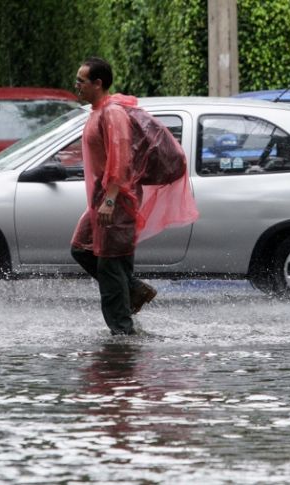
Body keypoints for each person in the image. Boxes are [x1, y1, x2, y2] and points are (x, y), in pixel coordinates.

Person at [70, 57, 199, 335]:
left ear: (98, 83)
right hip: (104, 197)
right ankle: (134, 291)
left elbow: (122, 157)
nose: (76, 85)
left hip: (117, 198)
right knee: (82, 248)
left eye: (81, 80)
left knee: (111, 264)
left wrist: (111, 198)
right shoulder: (98, 111)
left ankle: (123, 333)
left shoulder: (112, 113)